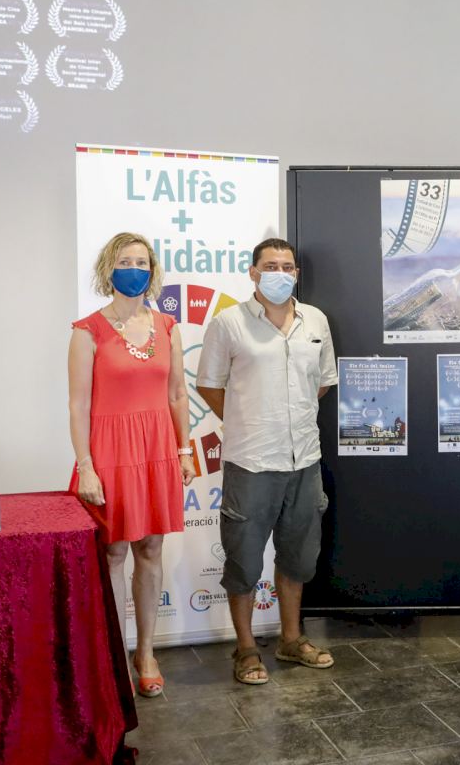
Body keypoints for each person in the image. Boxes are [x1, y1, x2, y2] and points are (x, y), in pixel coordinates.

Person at [196, 238, 338, 685]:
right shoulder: (229, 323)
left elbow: (322, 382)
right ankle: (245, 648)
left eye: (287, 266)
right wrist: (248, 420)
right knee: (243, 561)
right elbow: (209, 384)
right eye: (270, 266)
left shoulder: (315, 320)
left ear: (297, 273)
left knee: (298, 557)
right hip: (251, 462)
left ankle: (291, 639)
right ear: (253, 272)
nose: (280, 273)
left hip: (305, 460)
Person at [68, 232, 195, 699]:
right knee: (113, 554)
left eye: (142, 262)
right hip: (109, 453)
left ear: (153, 271)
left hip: (156, 448)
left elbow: (177, 394)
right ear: (109, 269)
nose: (135, 269)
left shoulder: (167, 326)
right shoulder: (87, 331)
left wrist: (184, 450)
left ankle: (146, 653)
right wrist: (86, 465)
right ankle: (112, 656)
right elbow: (78, 405)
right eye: (125, 261)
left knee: (150, 549)